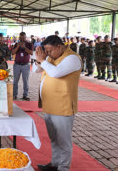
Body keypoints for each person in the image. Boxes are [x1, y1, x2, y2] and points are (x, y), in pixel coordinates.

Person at [33, 35, 81, 171]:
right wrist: (39, 61)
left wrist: (43, 60)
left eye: (49, 50)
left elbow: (55, 73)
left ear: (59, 46)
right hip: (49, 104)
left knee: (64, 141)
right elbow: (36, 71)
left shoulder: (72, 58)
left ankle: (63, 168)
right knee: (54, 139)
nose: (47, 54)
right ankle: (55, 163)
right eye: (46, 51)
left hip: (63, 105)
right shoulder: (52, 57)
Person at [11, 32, 33, 101]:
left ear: (25, 37)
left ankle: (25, 95)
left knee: (25, 81)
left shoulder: (29, 44)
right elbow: (12, 53)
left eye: (23, 37)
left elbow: (31, 53)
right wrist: (18, 46)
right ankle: (14, 95)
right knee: (15, 81)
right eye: (20, 37)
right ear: (19, 37)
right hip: (17, 65)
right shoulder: (16, 44)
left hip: (25, 65)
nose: (21, 38)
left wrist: (24, 47)